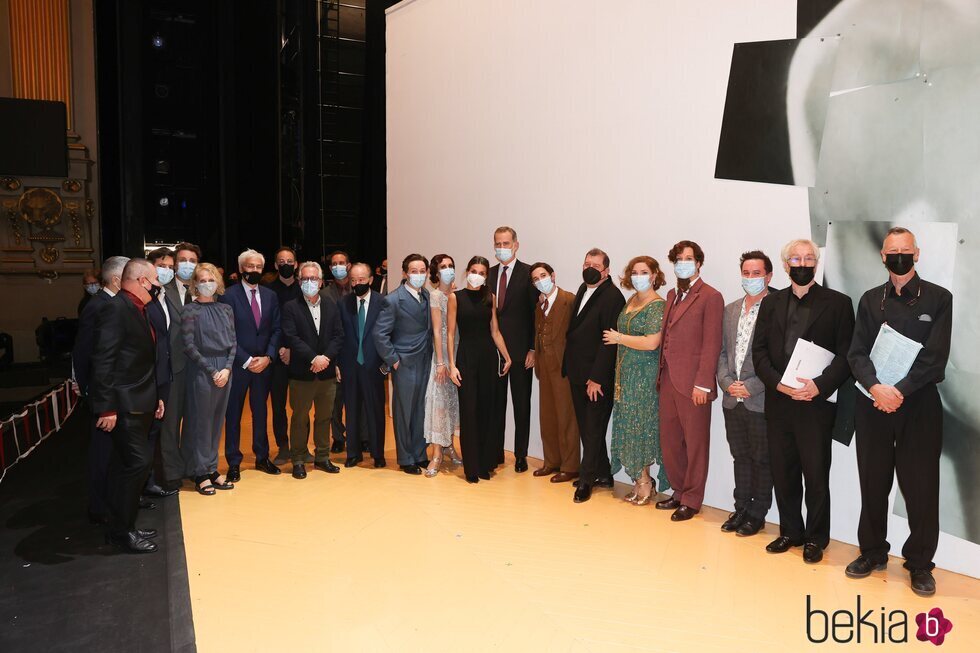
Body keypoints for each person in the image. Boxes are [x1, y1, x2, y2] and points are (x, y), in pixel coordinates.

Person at [845, 227, 952, 597]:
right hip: (872, 403)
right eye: (893, 251)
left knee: (921, 488)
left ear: (917, 254)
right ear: (883, 255)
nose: (900, 256)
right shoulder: (870, 299)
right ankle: (872, 553)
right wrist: (877, 388)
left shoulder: (939, 298)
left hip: (918, 406)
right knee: (873, 482)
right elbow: (856, 353)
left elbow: (934, 360)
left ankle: (920, 564)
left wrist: (898, 392)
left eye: (906, 250)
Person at [752, 239, 854, 563]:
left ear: (816, 263)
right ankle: (790, 532)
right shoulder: (770, 304)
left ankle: (815, 539)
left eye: (808, 258)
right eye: (795, 258)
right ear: (785, 265)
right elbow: (760, 353)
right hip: (779, 403)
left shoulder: (838, 303)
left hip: (815, 404)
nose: (802, 262)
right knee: (783, 472)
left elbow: (846, 355)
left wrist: (819, 386)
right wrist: (778, 384)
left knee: (816, 474)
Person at [89, 259, 165, 553]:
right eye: (156, 279)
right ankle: (121, 531)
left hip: (141, 401)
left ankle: (122, 527)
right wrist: (106, 407)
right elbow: (103, 361)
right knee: (137, 463)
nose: (159, 284)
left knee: (125, 465)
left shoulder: (138, 308)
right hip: (122, 405)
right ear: (143, 281)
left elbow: (140, 360)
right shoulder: (115, 307)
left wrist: (155, 396)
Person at [655, 240, 724, 522]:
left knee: (695, 443)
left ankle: (692, 499)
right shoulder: (671, 294)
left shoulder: (710, 296)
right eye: (677, 259)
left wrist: (704, 384)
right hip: (668, 379)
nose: (682, 263)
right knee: (670, 442)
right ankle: (679, 491)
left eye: (688, 258)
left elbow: (711, 343)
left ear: (698, 263)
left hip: (694, 383)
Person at [716, 251, 774, 537]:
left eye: (756, 273)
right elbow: (723, 352)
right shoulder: (730, 309)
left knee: (762, 459)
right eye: (746, 274)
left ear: (769, 276)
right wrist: (726, 381)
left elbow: (778, 357)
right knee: (740, 456)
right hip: (731, 397)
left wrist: (751, 386)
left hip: (760, 399)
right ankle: (740, 508)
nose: (750, 278)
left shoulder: (776, 308)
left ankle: (757, 513)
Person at [604, 256, 669, 505]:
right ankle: (639, 481)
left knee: (641, 428)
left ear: (654, 276)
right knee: (628, 428)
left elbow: (653, 341)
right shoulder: (631, 300)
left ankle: (645, 483)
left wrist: (619, 338)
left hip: (644, 376)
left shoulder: (657, 305)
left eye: (643, 272)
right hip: (624, 375)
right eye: (634, 272)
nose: (638, 276)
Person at [563, 248, 626, 503]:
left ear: (606, 270)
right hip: (578, 371)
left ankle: (586, 481)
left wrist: (597, 377)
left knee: (592, 428)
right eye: (586, 262)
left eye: (596, 265)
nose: (589, 267)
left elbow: (609, 342)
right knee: (587, 426)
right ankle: (603, 473)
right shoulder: (582, 288)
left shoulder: (613, 297)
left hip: (596, 378)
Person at [72, 256, 129, 524]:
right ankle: (99, 507)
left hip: (116, 392)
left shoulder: (114, 304)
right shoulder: (98, 306)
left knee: (115, 453)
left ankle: (114, 501)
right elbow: (84, 354)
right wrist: (89, 393)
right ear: (117, 279)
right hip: (102, 394)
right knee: (102, 454)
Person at [220, 249, 283, 481]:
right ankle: (233, 461)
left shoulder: (270, 296)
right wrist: (246, 360)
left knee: (260, 412)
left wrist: (268, 357)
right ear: (241, 269)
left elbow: (277, 329)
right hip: (238, 364)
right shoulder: (228, 296)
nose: (254, 270)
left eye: (258, 267)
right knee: (233, 414)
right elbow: (227, 334)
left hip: (264, 365)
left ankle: (262, 457)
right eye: (250, 266)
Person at [448, 257, 512, 483]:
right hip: (466, 358)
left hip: (487, 358)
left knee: (486, 411)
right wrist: (451, 365)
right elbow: (450, 333)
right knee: (469, 412)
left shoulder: (490, 297)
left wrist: (506, 356)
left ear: (486, 276)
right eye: (474, 270)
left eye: (482, 272)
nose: (477, 274)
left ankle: (484, 464)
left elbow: (495, 331)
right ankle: (471, 468)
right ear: (467, 272)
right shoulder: (456, 297)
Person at [281, 262, 345, 479]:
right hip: (302, 372)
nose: (309, 283)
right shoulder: (291, 307)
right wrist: (314, 358)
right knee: (299, 418)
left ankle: (322, 457)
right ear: (300, 281)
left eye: (313, 279)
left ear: (320, 281)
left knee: (324, 417)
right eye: (305, 279)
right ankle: (298, 459)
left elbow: (338, 336)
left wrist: (325, 358)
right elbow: (292, 337)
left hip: (326, 372)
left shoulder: (331, 305)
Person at [374, 254, 433, 474]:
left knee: (420, 410)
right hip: (404, 364)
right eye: (413, 271)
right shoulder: (392, 300)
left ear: (427, 273)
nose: (418, 275)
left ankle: (419, 454)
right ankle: (405, 457)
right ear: (405, 273)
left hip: (425, 360)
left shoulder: (426, 295)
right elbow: (380, 334)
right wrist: (394, 361)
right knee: (403, 411)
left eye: (422, 271)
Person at [181, 263, 236, 495]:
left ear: (218, 283)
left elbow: (233, 342)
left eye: (210, 279)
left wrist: (227, 368)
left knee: (216, 422)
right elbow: (188, 345)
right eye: (201, 280)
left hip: (224, 369)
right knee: (200, 423)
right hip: (202, 371)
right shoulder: (189, 311)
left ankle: (212, 468)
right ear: (195, 284)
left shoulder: (226, 310)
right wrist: (213, 371)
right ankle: (200, 472)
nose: (206, 284)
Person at [487, 226, 537, 472]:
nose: (502, 248)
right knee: (495, 404)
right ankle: (496, 452)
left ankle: (520, 455)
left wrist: (532, 349)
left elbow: (535, 315)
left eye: (506, 243)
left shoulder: (529, 274)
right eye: (498, 243)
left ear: (516, 245)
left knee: (521, 406)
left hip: (520, 353)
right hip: (493, 352)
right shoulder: (487, 273)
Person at [530, 262, 579, 483]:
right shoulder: (539, 305)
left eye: (543, 275)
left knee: (566, 416)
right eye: (535, 279)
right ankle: (551, 461)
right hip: (544, 365)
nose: (540, 280)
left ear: (552, 275)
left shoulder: (569, 299)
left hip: (564, 366)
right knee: (547, 415)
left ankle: (570, 466)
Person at [337, 263, 388, 467]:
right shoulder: (343, 303)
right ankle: (353, 453)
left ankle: (378, 454)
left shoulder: (383, 302)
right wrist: (338, 364)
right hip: (349, 365)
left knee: (375, 410)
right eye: (354, 280)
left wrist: (385, 363)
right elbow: (339, 335)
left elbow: (389, 334)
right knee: (352, 410)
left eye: (362, 279)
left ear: (370, 279)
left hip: (374, 366)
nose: (358, 283)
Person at [159, 241, 201, 490]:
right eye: (183, 260)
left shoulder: (206, 289)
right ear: (175, 263)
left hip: (200, 368)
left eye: (192, 261)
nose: (187, 265)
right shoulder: (163, 290)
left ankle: (192, 467)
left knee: (195, 422)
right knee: (171, 423)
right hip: (174, 367)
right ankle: (171, 471)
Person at [422, 254, 462, 477]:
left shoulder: (458, 295)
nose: (448, 269)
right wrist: (440, 362)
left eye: (451, 266)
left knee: (453, 403)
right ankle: (436, 453)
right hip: (441, 356)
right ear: (436, 272)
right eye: (443, 266)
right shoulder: (435, 296)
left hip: (458, 353)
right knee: (439, 403)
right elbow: (437, 330)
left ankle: (450, 447)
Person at [143, 247, 178, 498]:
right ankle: (143, 484)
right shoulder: (145, 300)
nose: (167, 270)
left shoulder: (163, 295)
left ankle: (149, 481)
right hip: (148, 376)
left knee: (154, 431)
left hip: (164, 374)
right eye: (162, 265)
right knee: (145, 433)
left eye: (170, 267)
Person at [266, 246, 303, 464]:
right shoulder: (268, 291)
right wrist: (280, 348)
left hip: (299, 355)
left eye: (290, 261)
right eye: (281, 261)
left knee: (301, 405)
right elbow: (269, 324)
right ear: (275, 265)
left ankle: (300, 447)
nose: (286, 264)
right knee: (278, 406)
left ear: (296, 264)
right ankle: (283, 447)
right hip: (276, 357)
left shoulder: (304, 289)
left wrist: (292, 349)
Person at [322, 250, 353, 453]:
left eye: (342, 262)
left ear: (349, 265)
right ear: (330, 268)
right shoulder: (324, 293)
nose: (339, 266)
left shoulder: (358, 288)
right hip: (334, 352)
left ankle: (360, 436)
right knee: (335, 400)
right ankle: (338, 437)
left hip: (355, 351)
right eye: (335, 264)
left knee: (356, 398)